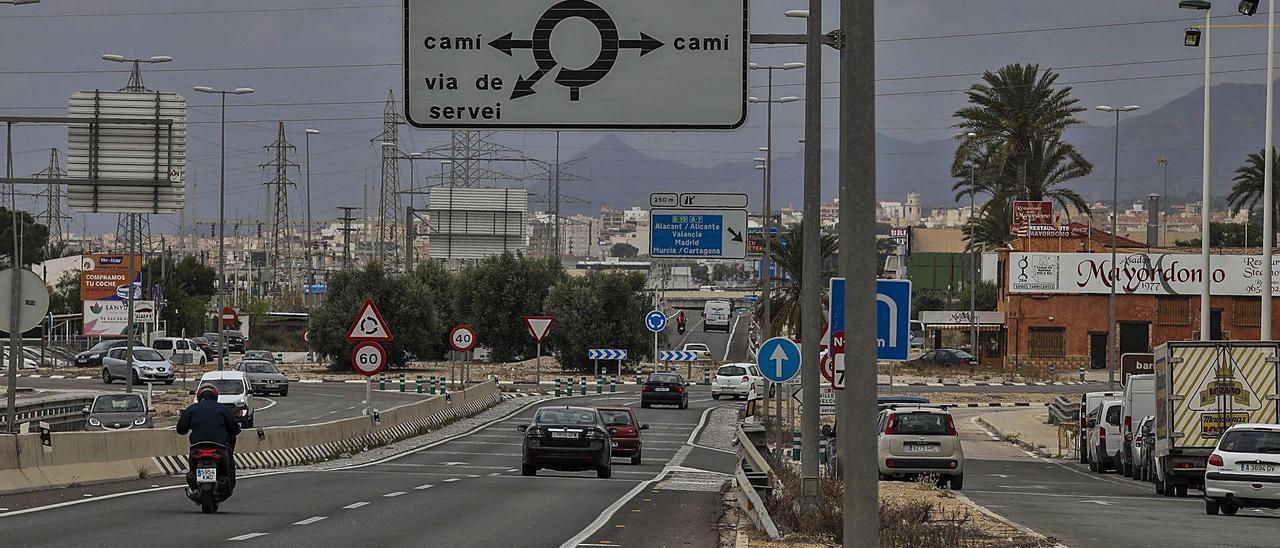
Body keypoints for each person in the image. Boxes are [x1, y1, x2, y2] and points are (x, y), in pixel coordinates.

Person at [177, 383, 242, 492]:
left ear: (199, 396)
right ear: (215, 396)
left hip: (197, 448)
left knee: (192, 470)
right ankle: (229, 483)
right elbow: (235, 430)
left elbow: (181, 430)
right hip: (219, 447)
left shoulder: (192, 409)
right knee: (230, 460)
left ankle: (194, 476)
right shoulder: (223, 409)